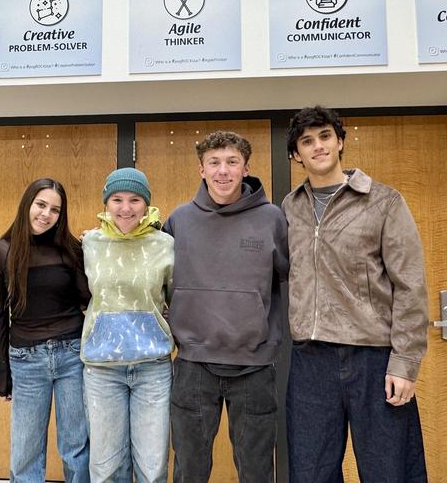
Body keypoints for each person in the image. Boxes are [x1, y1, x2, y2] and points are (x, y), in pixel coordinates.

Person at [282, 106, 429, 482]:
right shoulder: (290, 207)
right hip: (311, 360)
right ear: (296, 155)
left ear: (340, 141)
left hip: (373, 359)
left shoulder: (383, 202)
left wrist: (404, 362)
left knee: (388, 471)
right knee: (311, 471)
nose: (318, 147)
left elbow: (410, 285)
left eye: (326, 137)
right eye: (307, 141)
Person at [163, 131, 289, 482]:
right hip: (193, 366)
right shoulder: (179, 220)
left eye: (232, 162)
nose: (223, 171)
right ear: (201, 169)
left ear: (246, 168)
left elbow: (290, 277)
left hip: (254, 367)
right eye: (214, 163)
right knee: (189, 469)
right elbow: (157, 281)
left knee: (256, 470)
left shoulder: (272, 219)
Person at [0, 178, 90, 483]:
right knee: (26, 451)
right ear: (27, 204)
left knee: (76, 446)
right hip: (26, 359)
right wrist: (1, 369)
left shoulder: (71, 249)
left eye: (55, 210)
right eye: (41, 205)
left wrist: (92, 249)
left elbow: (87, 300)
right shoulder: (0, 251)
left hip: (73, 354)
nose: (46, 214)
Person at [80, 167, 174, 483]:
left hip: (153, 369)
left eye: (135, 199)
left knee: (152, 467)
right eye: (117, 199)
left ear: (146, 205)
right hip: (102, 369)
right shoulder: (89, 243)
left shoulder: (165, 245)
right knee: (105, 468)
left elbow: (176, 300)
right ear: (106, 203)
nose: (125, 208)